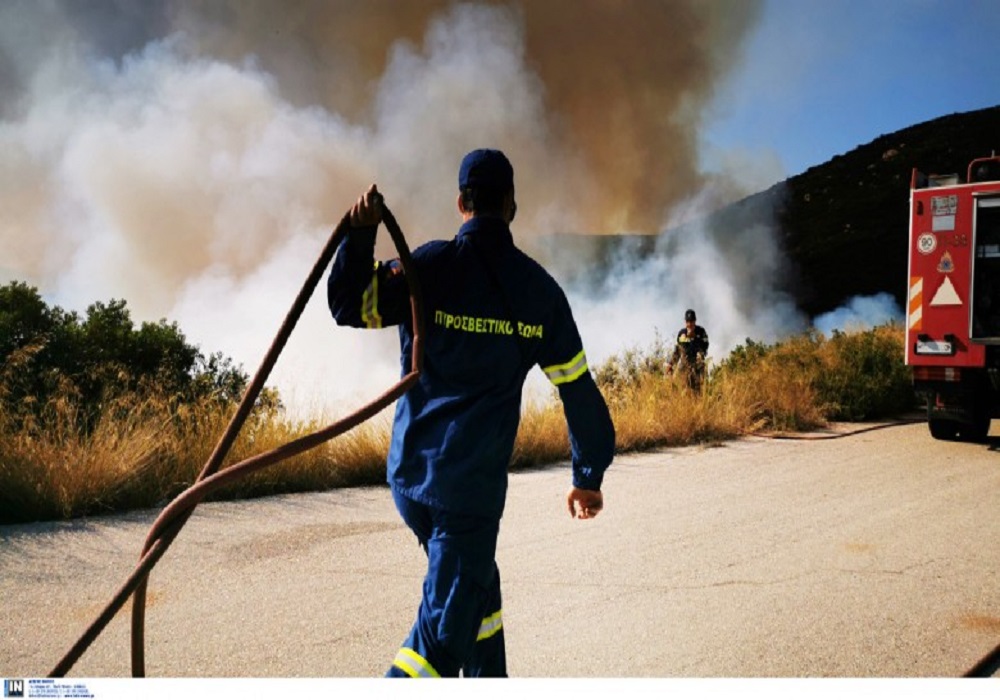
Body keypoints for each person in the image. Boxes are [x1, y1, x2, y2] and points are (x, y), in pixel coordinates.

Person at [327, 148, 616, 678]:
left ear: (461, 202)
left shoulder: (428, 269)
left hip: (410, 480)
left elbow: (351, 305)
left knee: (478, 591)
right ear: (512, 206)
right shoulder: (540, 294)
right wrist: (588, 474)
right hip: (469, 497)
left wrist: (360, 234)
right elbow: (577, 390)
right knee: (437, 645)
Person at [666, 308, 709, 393]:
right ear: (685, 322)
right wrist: (671, 364)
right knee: (676, 385)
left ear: (695, 321)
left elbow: (705, 346)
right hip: (684, 364)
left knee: (699, 389)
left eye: (691, 321)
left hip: (698, 364)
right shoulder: (682, 333)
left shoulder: (701, 332)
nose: (689, 324)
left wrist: (695, 337)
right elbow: (677, 351)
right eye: (687, 322)